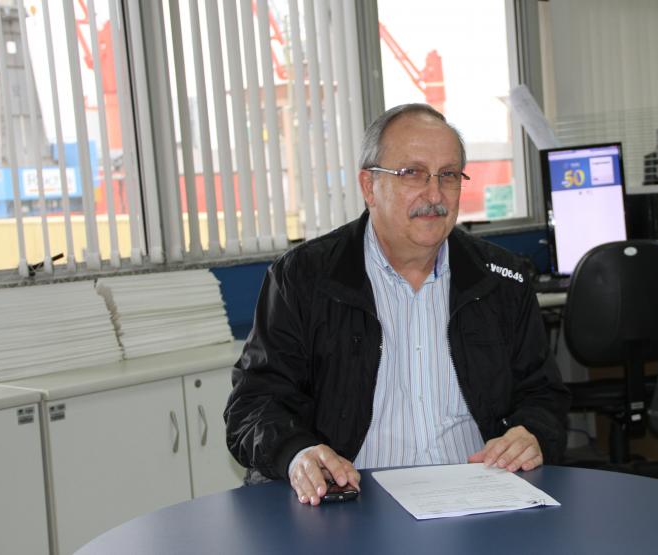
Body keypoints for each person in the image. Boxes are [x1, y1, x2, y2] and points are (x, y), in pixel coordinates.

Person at [225, 103, 569, 506]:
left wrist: (532, 431)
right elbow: (253, 404)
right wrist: (296, 452)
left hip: (480, 499)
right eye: (412, 173)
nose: (434, 195)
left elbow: (544, 394)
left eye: (448, 175)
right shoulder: (302, 278)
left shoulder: (502, 280)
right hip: (353, 504)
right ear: (369, 186)